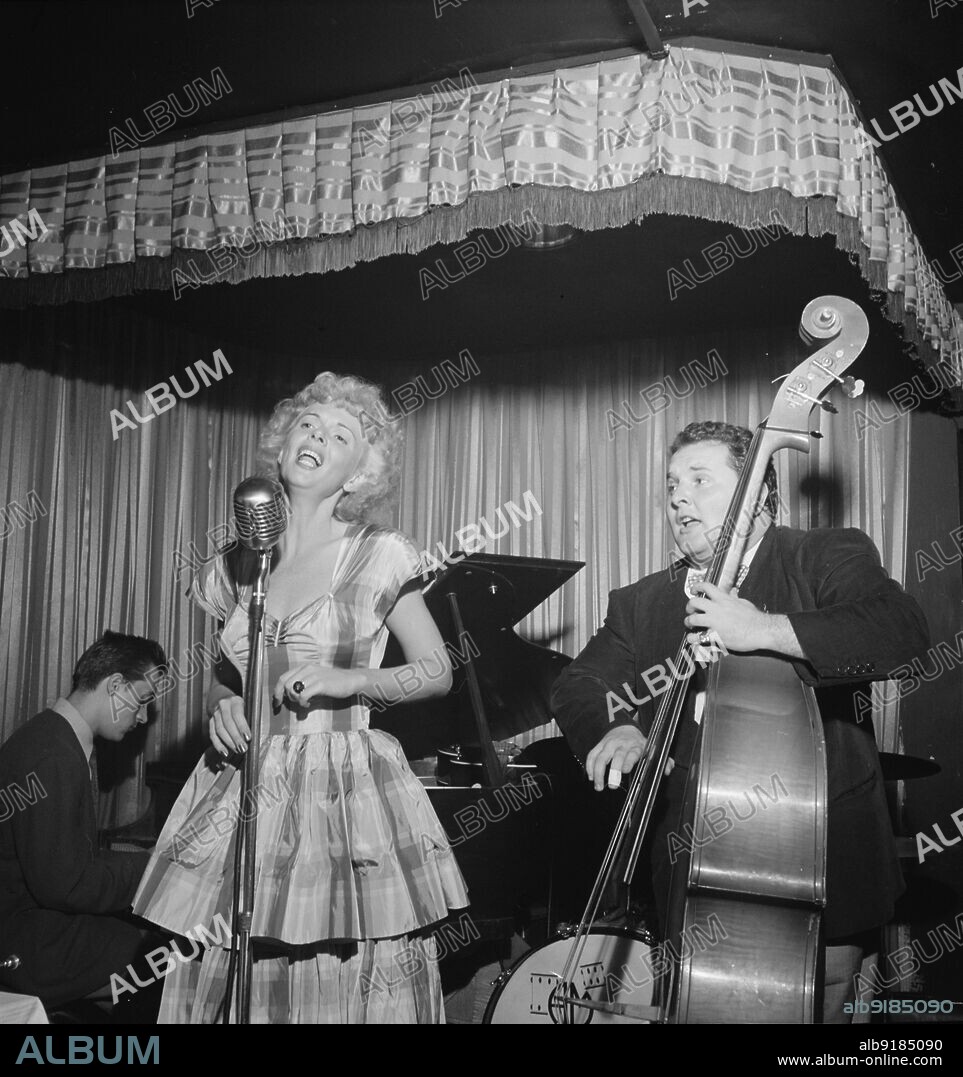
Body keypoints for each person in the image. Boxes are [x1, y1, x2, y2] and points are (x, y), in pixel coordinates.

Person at [551, 421, 930, 1023]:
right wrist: (615, 726)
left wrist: (765, 630)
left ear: (758, 495)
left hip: (815, 868)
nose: (679, 498)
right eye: (672, 485)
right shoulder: (641, 601)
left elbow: (900, 630)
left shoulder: (821, 555)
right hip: (690, 876)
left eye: (700, 480)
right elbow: (578, 683)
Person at [133, 371, 469, 1024]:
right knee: (233, 953)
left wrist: (351, 680)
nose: (317, 436)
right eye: (308, 425)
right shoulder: (235, 564)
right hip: (244, 778)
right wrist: (221, 704)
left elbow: (437, 672)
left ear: (359, 474)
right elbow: (227, 673)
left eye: (340, 435)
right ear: (283, 445)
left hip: (338, 780)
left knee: (332, 965)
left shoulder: (380, 554)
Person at [0, 630, 167, 1011]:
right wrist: (152, 868)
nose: (143, 717)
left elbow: (73, 863)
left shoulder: (53, 737)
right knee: (161, 959)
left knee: (145, 943)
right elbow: (67, 886)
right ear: (115, 686)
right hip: (20, 941)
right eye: (143, 700)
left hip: (28, 923)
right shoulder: (52, 755)